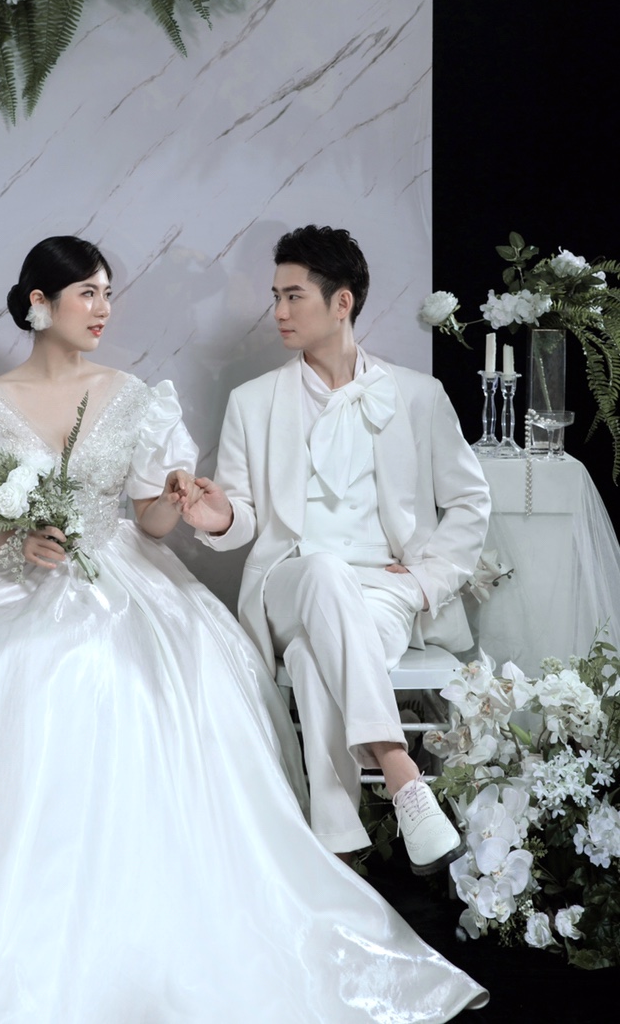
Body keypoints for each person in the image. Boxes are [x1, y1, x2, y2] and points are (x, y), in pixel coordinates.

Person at [0, 236, 487, 1021]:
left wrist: (173, 499)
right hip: (16, 580)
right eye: (88, 294)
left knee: (152, 682)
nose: (103, 309)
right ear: (39, 304)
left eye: (107, 294)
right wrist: (11, 539)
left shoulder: (132, 397)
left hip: (126, 576)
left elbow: (151, 522)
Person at [184, 225, 491, 871]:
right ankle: (401, 771)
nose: (279, 311)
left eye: (293, 296)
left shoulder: (418, 395)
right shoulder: (252, 403)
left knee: (312, 657)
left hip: (384, 591)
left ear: (342, 302)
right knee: (322, 572)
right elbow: (242, 518)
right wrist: (221, 518)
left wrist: (425, 583)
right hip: (288, 583)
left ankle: (338, 854)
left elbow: (470, 500)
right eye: (276, 296)